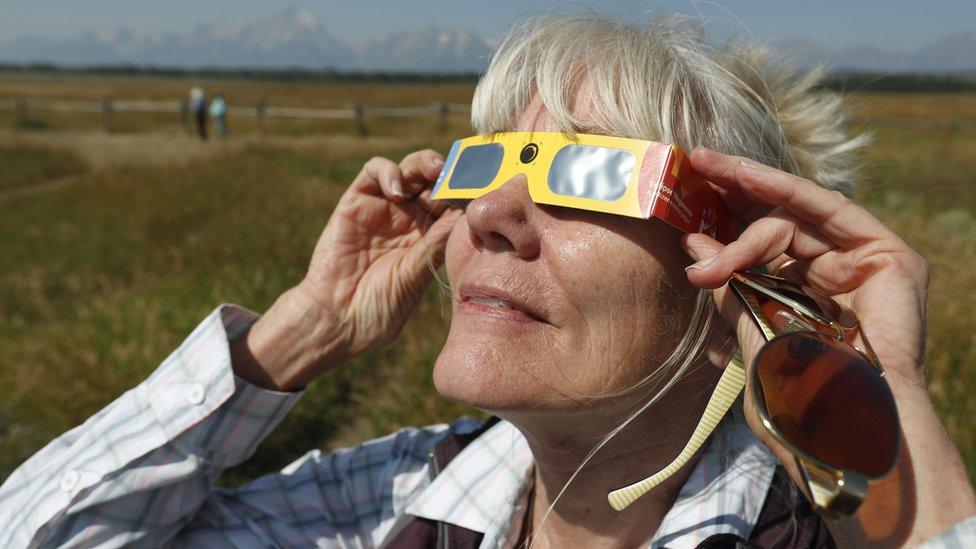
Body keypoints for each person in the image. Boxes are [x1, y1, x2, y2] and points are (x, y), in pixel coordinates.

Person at [2, 14, 975, 548]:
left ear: (733, 288)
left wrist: (880, 392)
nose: (489, 215)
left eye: (585, 177)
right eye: (482, 166)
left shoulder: (824, 537)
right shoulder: (400, 506)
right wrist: (298, 335)